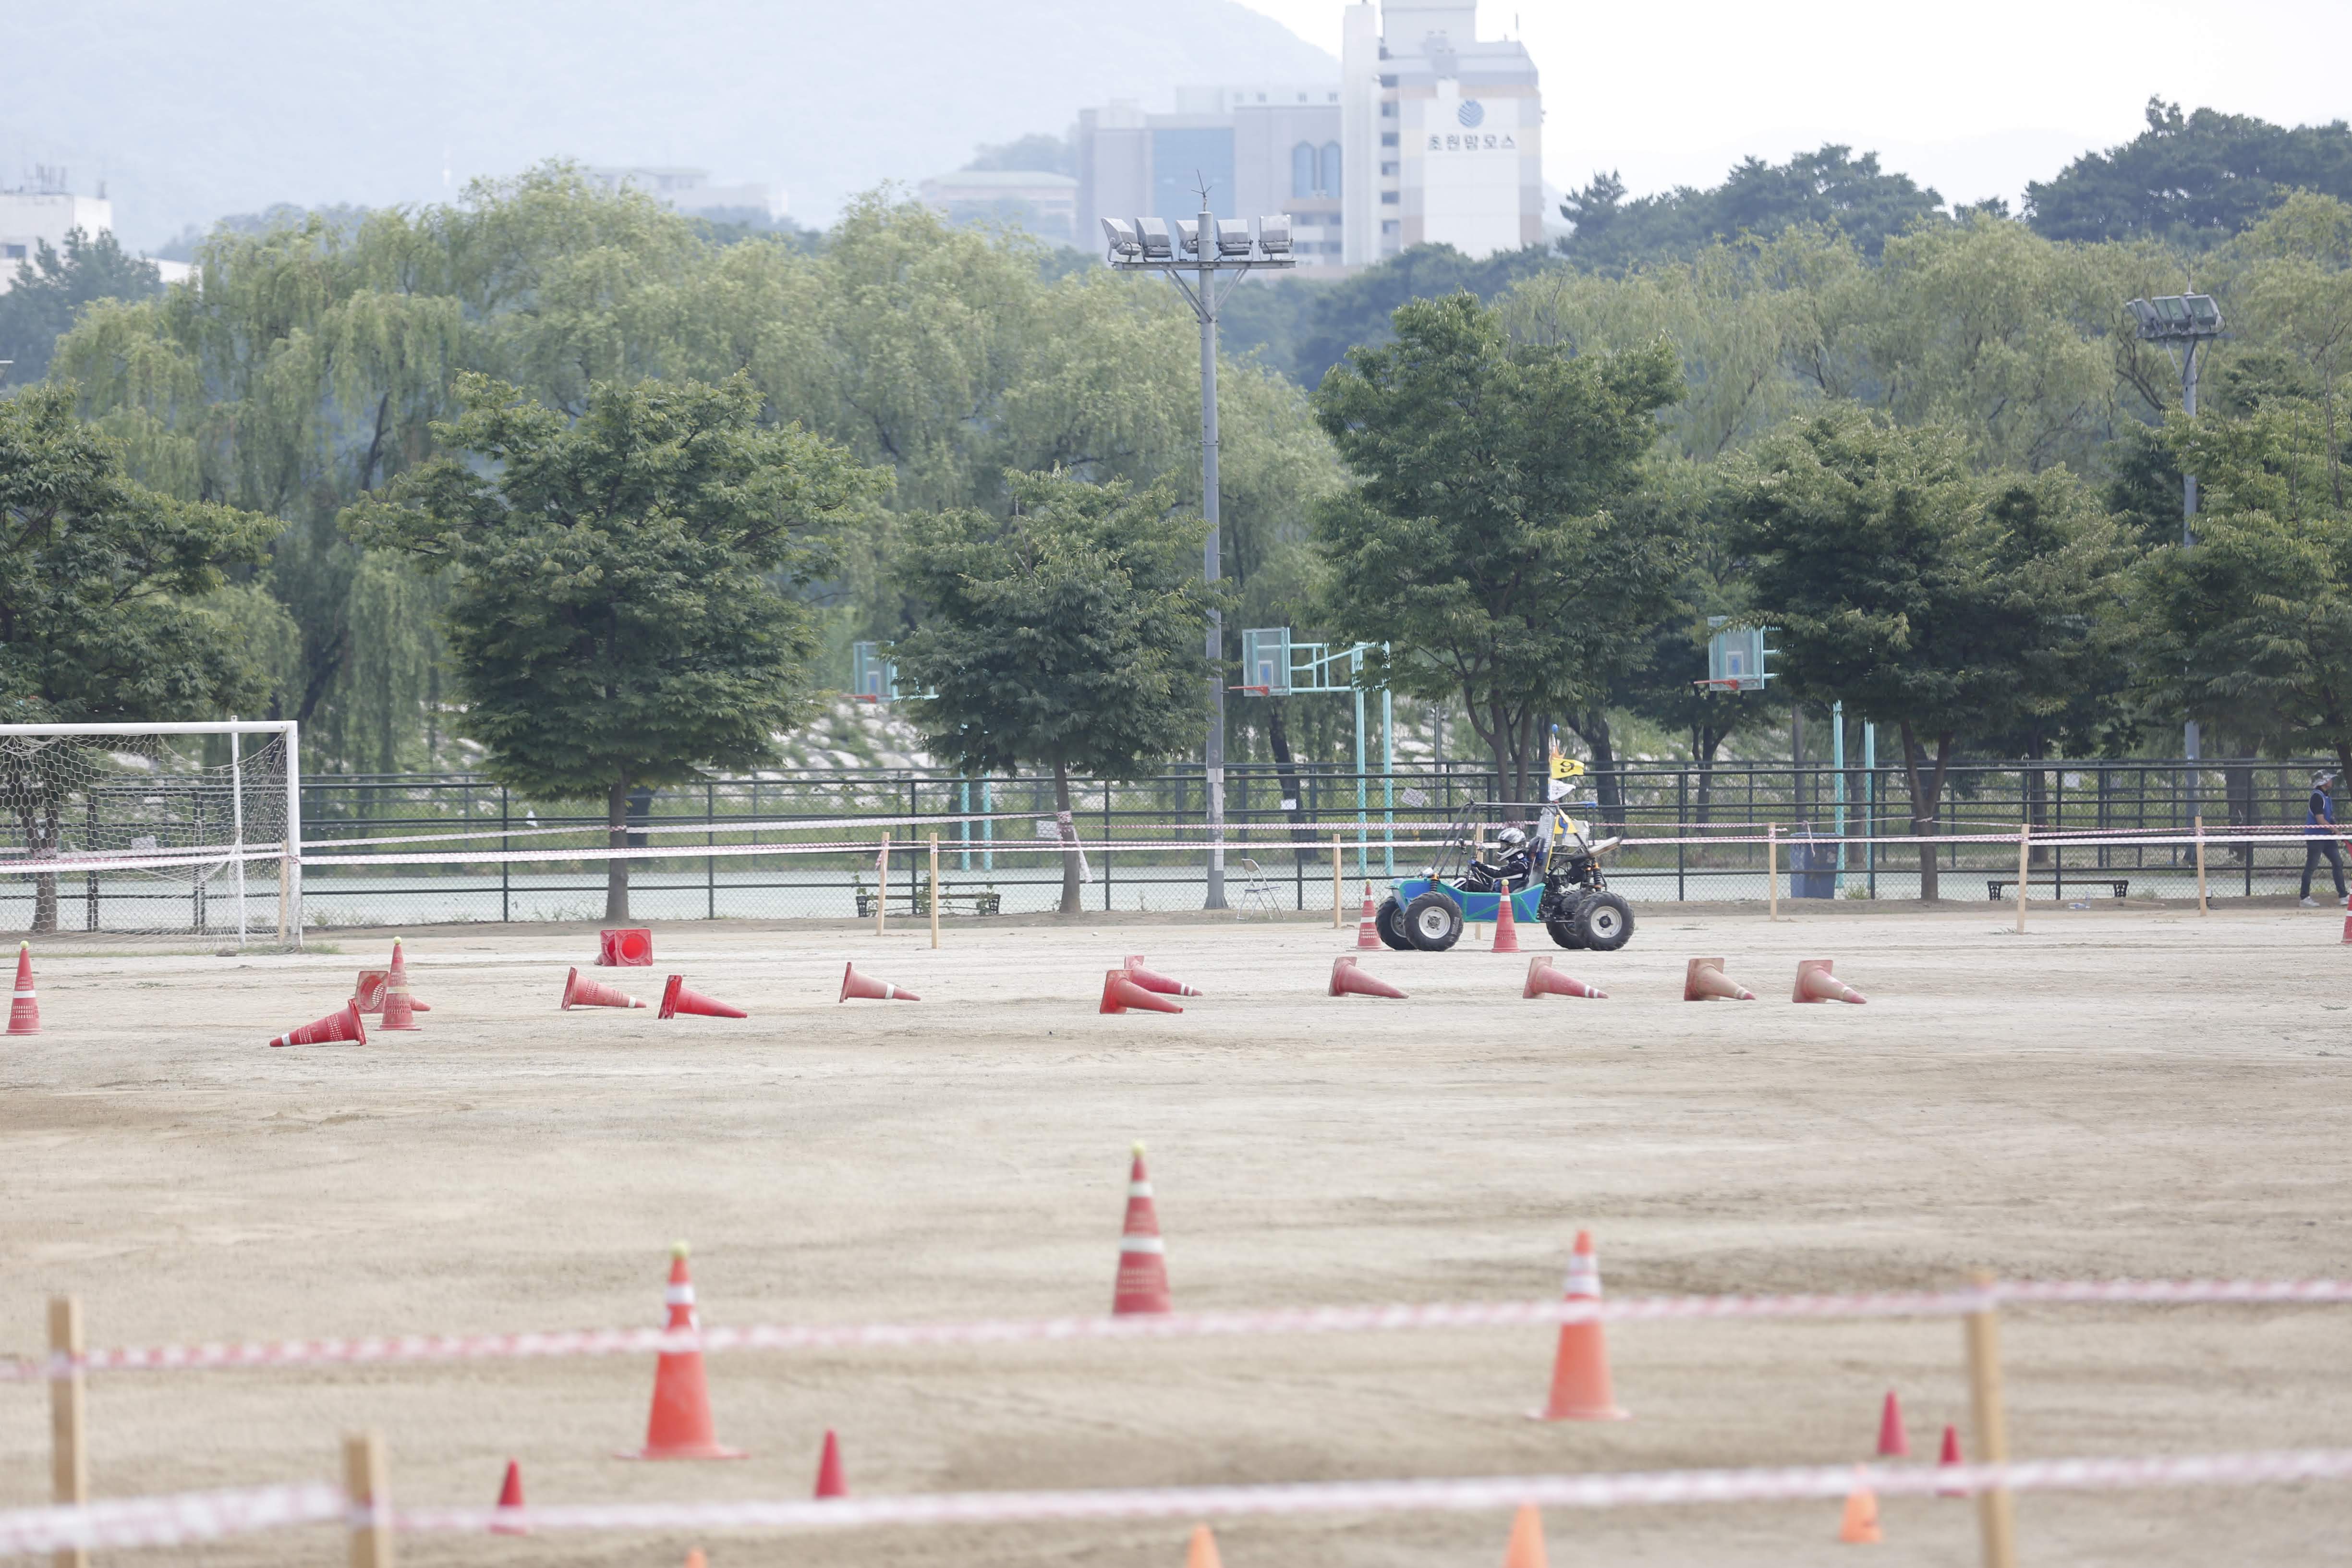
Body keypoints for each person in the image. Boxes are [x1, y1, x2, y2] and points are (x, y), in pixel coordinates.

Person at [2301, 770, 2347, 906]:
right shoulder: (2317, 797)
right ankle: (2304, 898)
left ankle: (2343, 896)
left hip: (2327, 837)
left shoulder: (2327, 797)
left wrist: (2334, 828)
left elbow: (2328, 818)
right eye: (2329, 779)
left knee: (2338, 863)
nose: (2331, 781)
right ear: (2323, 782)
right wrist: (2335, 830)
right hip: (2316, 837)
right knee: (2312, 866)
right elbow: (2320, 820)